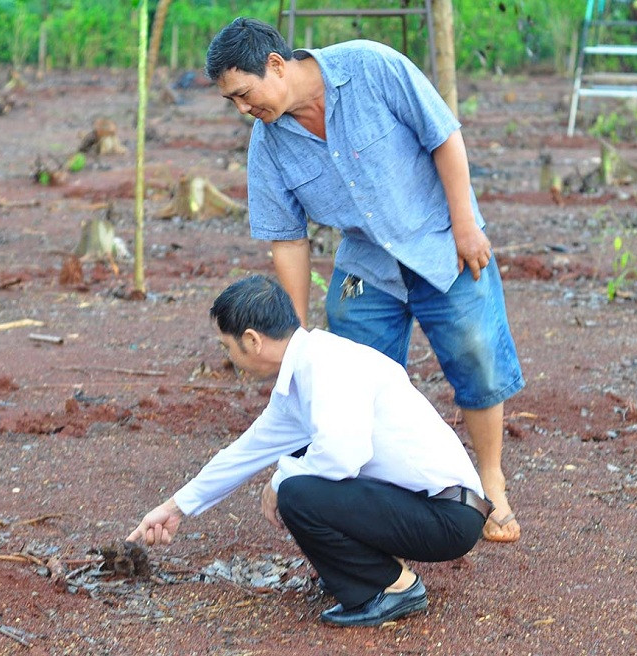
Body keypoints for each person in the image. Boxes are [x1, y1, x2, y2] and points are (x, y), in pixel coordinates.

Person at [204, 18, 524, 542]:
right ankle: (387, 504)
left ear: (277, 65)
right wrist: (295, 331)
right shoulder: (268, 144)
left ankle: (490, 476)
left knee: (476, 354)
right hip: (365, 263)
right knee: (349, 379)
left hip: (439, 236)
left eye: (244, 93)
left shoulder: (371, 67)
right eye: (232, 102)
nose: (243, 109)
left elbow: (444, 136)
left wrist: (466, 224)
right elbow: (288, 239)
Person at [127, 275, 493, 627]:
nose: (228, 357)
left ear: (252, 340)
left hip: (448, 517)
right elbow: (244, 453)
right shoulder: (302, 374)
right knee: (299, 477)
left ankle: (393, 586)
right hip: (427, 507)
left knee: (297, 490)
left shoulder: (328, 366)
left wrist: (281, 478)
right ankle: (369, 573)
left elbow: (342, 457)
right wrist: (174, 507)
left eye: (227, 346)